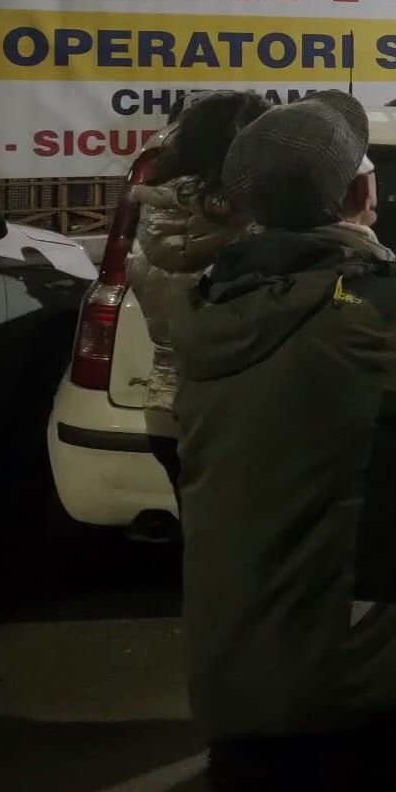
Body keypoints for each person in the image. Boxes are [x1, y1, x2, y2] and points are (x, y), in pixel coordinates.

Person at [176, 91, 396, 792]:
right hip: (353, 669)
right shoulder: (371, 306)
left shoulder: (216, 302)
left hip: (239, 662)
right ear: (362, 192)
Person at [128, 90, 267, 499]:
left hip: (166, 408)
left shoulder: (153, 209)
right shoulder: (257, 216)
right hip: (239, 412)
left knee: (202, 534)